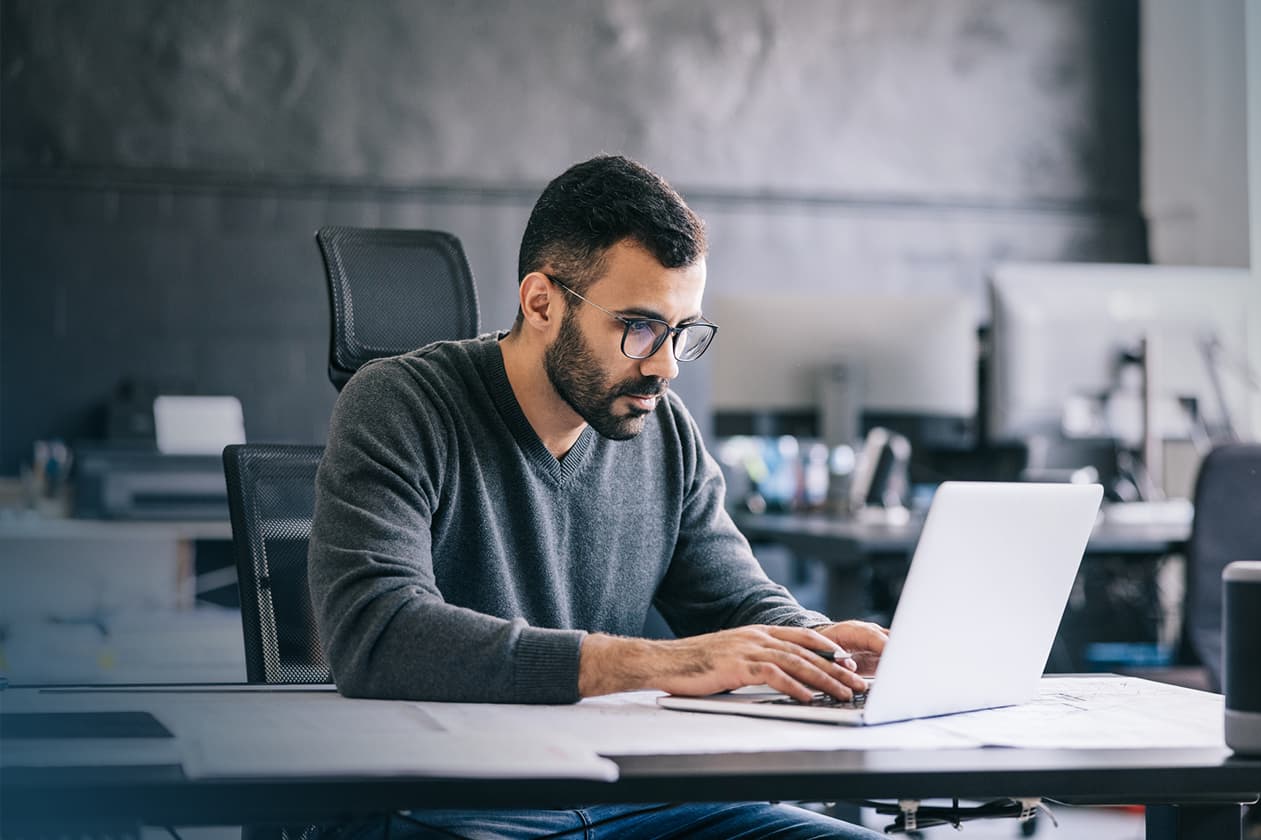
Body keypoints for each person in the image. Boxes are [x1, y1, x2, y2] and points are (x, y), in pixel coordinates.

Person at [309, 154, 887, 839]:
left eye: (682, 332)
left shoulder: (665, 431)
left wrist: (819, 646)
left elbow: (734, 599)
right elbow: (379, 635)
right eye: (639, 327)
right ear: (542, 302)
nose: (666, 364)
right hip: (463, 799)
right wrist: (659, 662)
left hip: (639, 793)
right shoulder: (400, 405)